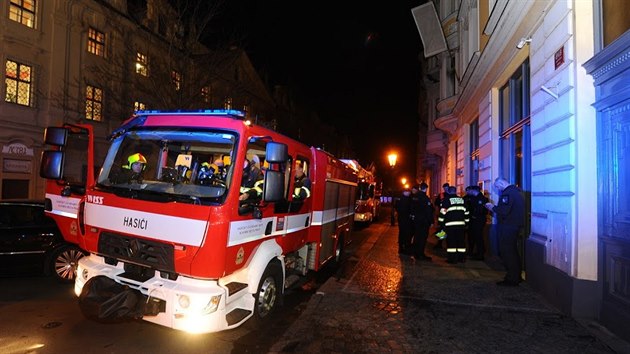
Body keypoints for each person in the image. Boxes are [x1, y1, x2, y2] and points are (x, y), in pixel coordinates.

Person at [485, 177, 525, 286]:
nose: (498, 189)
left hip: (508, 227)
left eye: (498, 186)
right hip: (514, 226)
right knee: (513, 252)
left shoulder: (508, 193)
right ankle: (516, 276)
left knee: (508, 253)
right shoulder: (517, 192)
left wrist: (492, 207)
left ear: (502, 183)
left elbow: (504, 211)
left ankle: (512, 279)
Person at [438, 186, 469, 264]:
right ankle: (461, 258)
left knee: (451, 242)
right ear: (456, 191)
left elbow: (442, 212)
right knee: (461, 241)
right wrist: (466, 223)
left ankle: (452, 259)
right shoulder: (462, 200)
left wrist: (440, 223)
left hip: (450, 225)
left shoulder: (446, 200)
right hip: (461, 225)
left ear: (448, 191)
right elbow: (466, 212)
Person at [410, 183, 434, 261]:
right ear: (426, 189)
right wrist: (431, 221)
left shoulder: (415, 197)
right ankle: (420, 254)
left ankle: (415, 253)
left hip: (416, 220)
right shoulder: (425, 198)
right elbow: (428, 211)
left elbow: (412, 208)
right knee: (422, 238)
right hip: (424, 221)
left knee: (417, 237)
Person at [464, 185, 489, 260]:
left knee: (478, 237)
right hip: (474, 220)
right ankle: (477, 252)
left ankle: (480, 254)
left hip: (478, 220)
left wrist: (474, 216)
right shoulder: (474, 198)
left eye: (471, 190)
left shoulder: (480, 199)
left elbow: (480, 210)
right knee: (473, 236)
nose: (469, 192)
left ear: (474, 190)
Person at [395, 187, 413, 254]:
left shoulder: (402, 198)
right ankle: (403, 247)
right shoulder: (405, 199)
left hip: (403, 218)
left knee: (403, 233)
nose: (409, 193)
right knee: (404, 233)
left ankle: (402, 247)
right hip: (405, 219)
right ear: (405, 192)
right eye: (408, 192)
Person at [433, 183, 450, 250]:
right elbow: (437, 205)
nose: (445, 189)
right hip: (442, 215)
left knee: (446, 230)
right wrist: (437, 214)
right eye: (444, 188)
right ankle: (440, 243)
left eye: (446, 188)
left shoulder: (451, 195)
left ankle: (446, 243)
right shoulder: (441, 195)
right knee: (441, 230)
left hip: (449, 216)